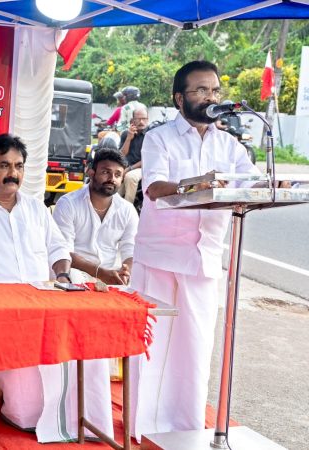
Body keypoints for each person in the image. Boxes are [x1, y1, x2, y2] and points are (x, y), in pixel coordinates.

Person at [129, 60, 260, 441]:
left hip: (204, 258)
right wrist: (196, 183)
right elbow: (155, 187)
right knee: (153, 347)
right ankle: (143, 427)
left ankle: (185, 429)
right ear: (179, 98)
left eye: (214, 90)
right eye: (201, 90)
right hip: (161, 256)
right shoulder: (159, 138)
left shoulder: (229, 144)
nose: (210, 97)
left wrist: (270, 185)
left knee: (195, 349)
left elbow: (251, 183)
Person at [0, 134, 107, 444]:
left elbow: (58, 249)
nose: (13, 173)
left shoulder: (37, 209)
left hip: (45, 303)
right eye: (4, 166)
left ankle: (83, 417)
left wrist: (63, 275)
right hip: (1, 313)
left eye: (19, 166)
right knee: (26, 411)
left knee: (87, 343)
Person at [53, 149, 138, 285]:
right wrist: (100, 273)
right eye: (106, 172)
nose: (112, 179)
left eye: (117, 175)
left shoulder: (127, 210)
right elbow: (63, 252)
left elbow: (131, 251)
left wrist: (126, 272)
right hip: (74, 274)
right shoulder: (68, 204)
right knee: (73, 276)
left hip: (110, 277)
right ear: (91, 173)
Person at [118, 106, 148, 203]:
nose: (141, 122)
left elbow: (147, 159)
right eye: (138, 119)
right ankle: (113, 206)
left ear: (148, 119)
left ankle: (128, 207)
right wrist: (128, 138)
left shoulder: (150, 135)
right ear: (132, 120)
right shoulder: (126, 134)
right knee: (116, 183)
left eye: (144, 119)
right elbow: (121, 155)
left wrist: (129, 169)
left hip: (144, 168)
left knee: (130, 177)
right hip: (126, 167)